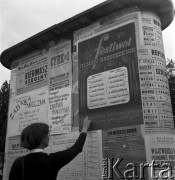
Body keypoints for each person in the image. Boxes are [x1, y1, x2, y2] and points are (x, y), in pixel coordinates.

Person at [8, 116, 91, 180]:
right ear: (42, 139)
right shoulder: (51, 161)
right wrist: (85, 128)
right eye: (48, 134)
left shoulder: (18, 162)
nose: (49, 137)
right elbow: (76, 148)